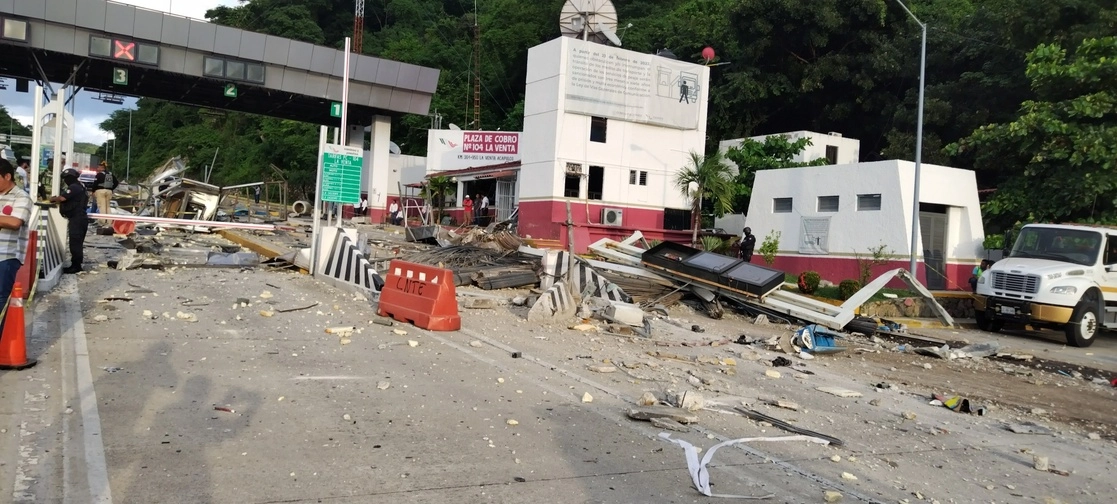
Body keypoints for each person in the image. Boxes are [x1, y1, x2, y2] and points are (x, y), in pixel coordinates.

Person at [0, 158, 33, 327]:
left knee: (0, 299)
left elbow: (14, 222)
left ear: (7, 176)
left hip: (6, 256)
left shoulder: (21, 197)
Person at [49, 168, 88, 274]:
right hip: (80, 218)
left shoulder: (74, 187)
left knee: (75, 243)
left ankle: (76, 266)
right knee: (77, 242)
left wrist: (52, 199)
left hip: (77, 218)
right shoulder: (81, 186)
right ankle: (76, 264)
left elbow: (62, 198)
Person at [92, 160, 119, 227]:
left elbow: (95, 184)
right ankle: (109, 221)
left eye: (98, 167)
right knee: (108, 207)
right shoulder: (110, 174)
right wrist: (111, 189)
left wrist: (93, 191)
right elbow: (116, 182)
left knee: (102, 206)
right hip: (109, 191)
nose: (97, 169)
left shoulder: (99, 175)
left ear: (102, 168)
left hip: (100, 191)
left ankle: (102, 221)